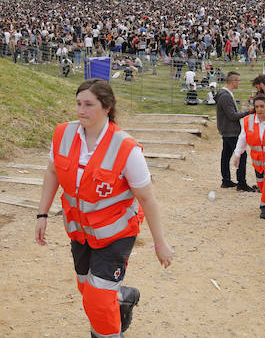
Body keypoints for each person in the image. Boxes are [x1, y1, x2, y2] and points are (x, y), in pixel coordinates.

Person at [34, 79, 173, 337]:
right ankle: (123, 297)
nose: (81, 110)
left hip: (115, 234)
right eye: (78, 104)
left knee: (97, 302)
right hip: (80, 232)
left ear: (107, 107)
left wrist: (160, 243)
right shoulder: (63, 134)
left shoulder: (126, 148)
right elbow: (53, 171)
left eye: (89, 105)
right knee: (87, 289)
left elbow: (148, 199)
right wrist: (42, 214)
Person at [215, 71, 257, 191]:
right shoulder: (225, 96)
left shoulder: (225, 94)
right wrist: (248, 112)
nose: (239, 83)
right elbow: (232, 116)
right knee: (241, 155)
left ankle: (226, 180)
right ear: (233, 82)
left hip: (227, 130)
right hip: (231, 131)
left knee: (226, 155)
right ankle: (241, 183)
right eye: (238, 80)